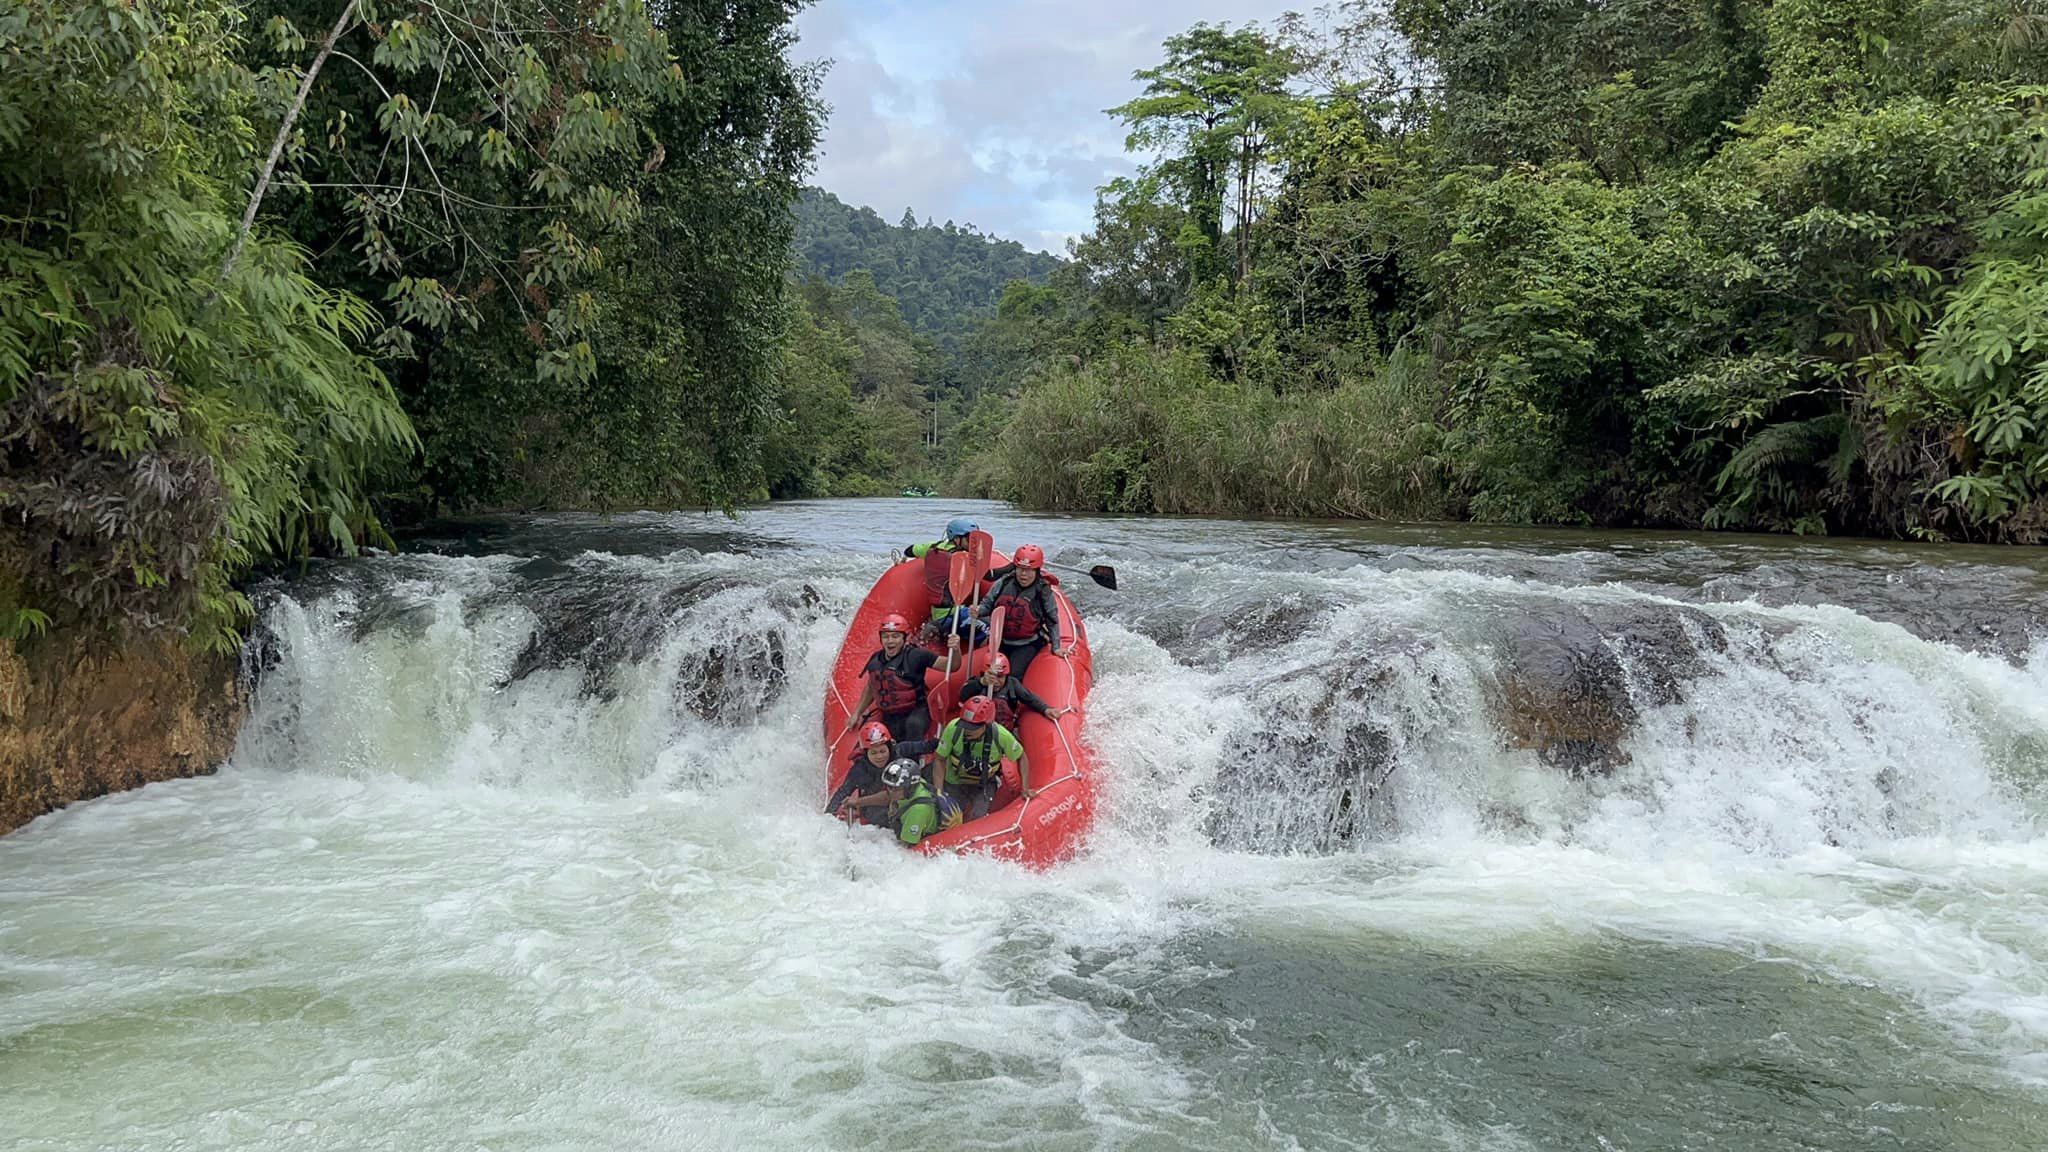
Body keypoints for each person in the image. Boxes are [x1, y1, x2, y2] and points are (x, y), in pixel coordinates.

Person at [841, 613, 940, 743]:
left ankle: (914, 758)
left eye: (895, 636)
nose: (890, 641)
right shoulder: (876, 660)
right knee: (878, 739)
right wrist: (857, 713)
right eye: (886, 637)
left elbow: (953, 665)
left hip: (916, 710)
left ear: (904, 638)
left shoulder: (916, 656)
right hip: (891, 715)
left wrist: (955, 649)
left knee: (913, 725)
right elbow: (871, 687)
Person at [973, 543, 1067, 681]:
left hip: (1027, 644)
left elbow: (1052, 620)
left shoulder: (1043, 591)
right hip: (1001, 641)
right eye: (1020, 569)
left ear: (1036, 571)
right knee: (988, 674)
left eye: (1029, 570)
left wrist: (1056, 647)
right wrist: (978, 611)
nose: (1024, 574)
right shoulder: (1004, 583)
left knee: (1012, 677)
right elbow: (987, 606)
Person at [933, 695, 1033, 822]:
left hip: (984, 784)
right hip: (955, 781)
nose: (966, 730)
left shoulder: (1001, 736)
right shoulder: (953, 729)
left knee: (977, 818)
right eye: (964, 725)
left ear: (986, 725)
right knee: (946, 818)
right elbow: (940, 759)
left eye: (972, 728)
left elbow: (1021, 757)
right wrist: (939, 792)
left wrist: (1025, 788)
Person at [826, 721, 937, 822]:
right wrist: (827, 816)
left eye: (883, 751)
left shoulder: (899, 750)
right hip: (875, 806)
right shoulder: (860, 770)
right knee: (880, 816)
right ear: (866, 754)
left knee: (931, 769)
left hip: (903, 795)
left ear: (889, 747)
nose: (880, 757)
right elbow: (842, 792)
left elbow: (926, 746)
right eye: (874, 753)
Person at [838, 758, 949, 846]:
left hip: (922, 832)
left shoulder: (918, 810)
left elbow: (907, 846)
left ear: (908, 788)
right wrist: (857, 802)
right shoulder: (913, 785)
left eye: (895, 788)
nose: (891, 791)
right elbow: (887, 796)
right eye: (889, 787)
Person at [957, 652, 1072, 732]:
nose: (996, 681)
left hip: (1005, 730)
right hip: (978, 729)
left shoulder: (1012, 683)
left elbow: (1028, 698)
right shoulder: (976, 684)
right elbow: (963, 696)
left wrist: (1045, 709)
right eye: (993, 677)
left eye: (1000, 677)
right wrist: (982, 682)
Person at [902, 517, 979, 622]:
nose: (973, 543)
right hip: (954, 614)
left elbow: (909, 551)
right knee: (987, 623)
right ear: (957, 539)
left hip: (937, 614)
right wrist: (1009, 568)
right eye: (970, 539)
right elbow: (989, 576)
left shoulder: (933, 547)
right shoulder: (963, 558)